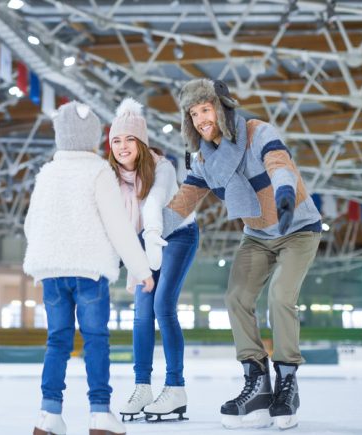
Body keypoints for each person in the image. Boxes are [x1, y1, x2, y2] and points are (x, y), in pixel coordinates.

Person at [165, 78, 321, 430]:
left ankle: (287, 383)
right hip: (257, 236)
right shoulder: (205, 160)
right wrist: (151, 231)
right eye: (193, 113)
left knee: (281, 297)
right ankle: (257, 382)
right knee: (236, 296)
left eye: (205, 109)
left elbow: (279, 162)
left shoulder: (256, 132)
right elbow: (185, 199)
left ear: (221, 108)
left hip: (297, 229)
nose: (200, 118)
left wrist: (284, 193)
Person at [23, 101, 155, 435]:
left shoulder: (48, 173)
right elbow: (118, 226)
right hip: (89, 270)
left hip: (52, 271)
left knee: (57, 342)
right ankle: (99, 414)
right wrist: (142, 269)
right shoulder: (99, 172)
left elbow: (30, 224)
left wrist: (48, 251)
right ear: (94, 137)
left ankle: (48, 415)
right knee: (96, 340)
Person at [107, 98, 199, 423]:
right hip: (142, 244)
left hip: (177, 236)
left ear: (141, 142)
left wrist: (152, 233)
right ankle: (142, 386)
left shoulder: (163, 167)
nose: (122, 146)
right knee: (142, 313)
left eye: (129, 139)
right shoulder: (110, 179)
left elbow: (155, 201)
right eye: (116, 140)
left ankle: (175, 387)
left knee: (163, 306)